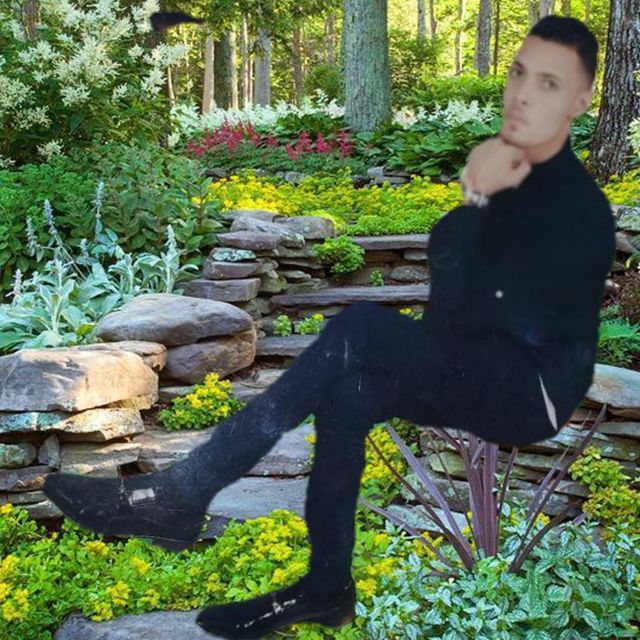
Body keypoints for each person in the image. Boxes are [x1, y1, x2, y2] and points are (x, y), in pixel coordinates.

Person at [42, 15, 616, 639]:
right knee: (348, 393)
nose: (524, 94)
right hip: (488, 368)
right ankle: (326, 587)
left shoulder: (573, 204)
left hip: (532, 391)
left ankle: (183, 493)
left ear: (581, 101)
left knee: (360, 329)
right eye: (519, 74)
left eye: (549, 83)